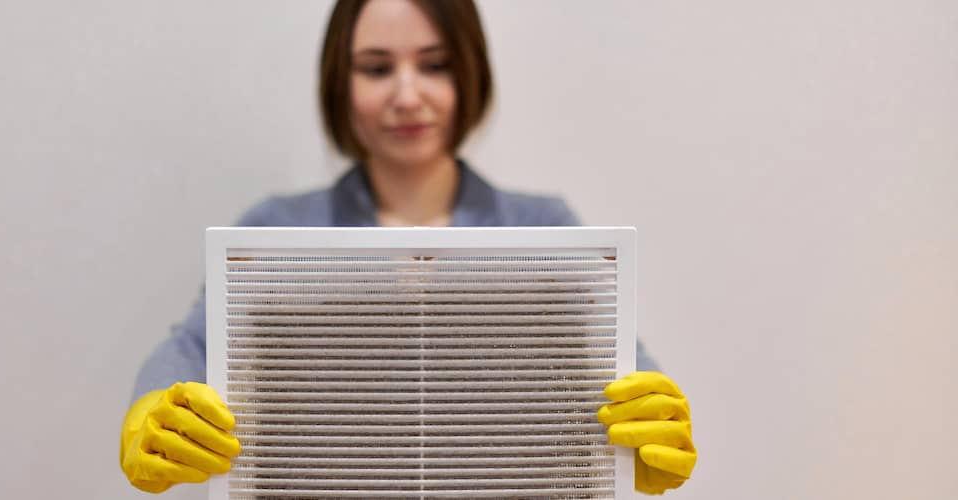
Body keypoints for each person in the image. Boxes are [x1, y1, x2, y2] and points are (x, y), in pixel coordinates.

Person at [119, 0, 697, 495]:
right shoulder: (274, 233)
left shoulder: (545, 230)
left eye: (435, 65)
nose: (407, 94)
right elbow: (193, 347)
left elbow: (618, 365)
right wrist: (152, 409)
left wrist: (648, 429)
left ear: (468, 74)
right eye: (376, 68)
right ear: (339, 83)